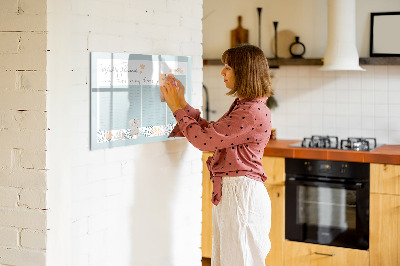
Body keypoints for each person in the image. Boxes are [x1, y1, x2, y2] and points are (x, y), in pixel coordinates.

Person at [161, 44, 273, 266]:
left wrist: (176, 108)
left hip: (241, 195)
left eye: (228, 67)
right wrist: (182, 103)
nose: (222, 72)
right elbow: (212, 133)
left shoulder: (250, 111)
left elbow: (204, 141)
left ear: (244, 72)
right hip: (236, 193)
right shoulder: (246, 106)